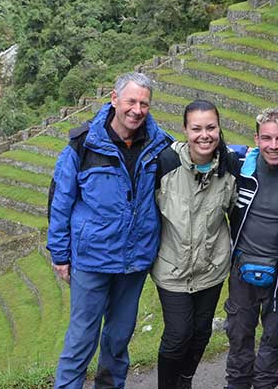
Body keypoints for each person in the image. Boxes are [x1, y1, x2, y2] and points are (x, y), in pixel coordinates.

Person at [47, 72, 173, 389]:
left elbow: (202, 150)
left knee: (118, 338)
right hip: (92, 258)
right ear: (114, 99)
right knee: (81, 339)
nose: (137, 109)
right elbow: (60, 202)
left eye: (144, 103)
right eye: (131, 101)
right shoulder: (83, 145)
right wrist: (60, 254)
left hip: (134, 260)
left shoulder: (160, 146)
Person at [153, 100, 240, 389]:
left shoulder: (229, 169)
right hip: (172, 269)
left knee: (201, 332)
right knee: (178, 334)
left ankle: (185, 381)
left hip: (211, 268)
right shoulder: (165, 164)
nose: (204, 135)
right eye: (197, 128)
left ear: (219, 128)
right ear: (185, 130)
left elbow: (237, 213)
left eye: (211, 128)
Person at [224, 107, 278, 389]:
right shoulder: (240, 167)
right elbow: (207, 146)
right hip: (241, 270)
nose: (273, 146)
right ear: (256, 138)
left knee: (272, 345)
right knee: (239, 340)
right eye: (266, 138)